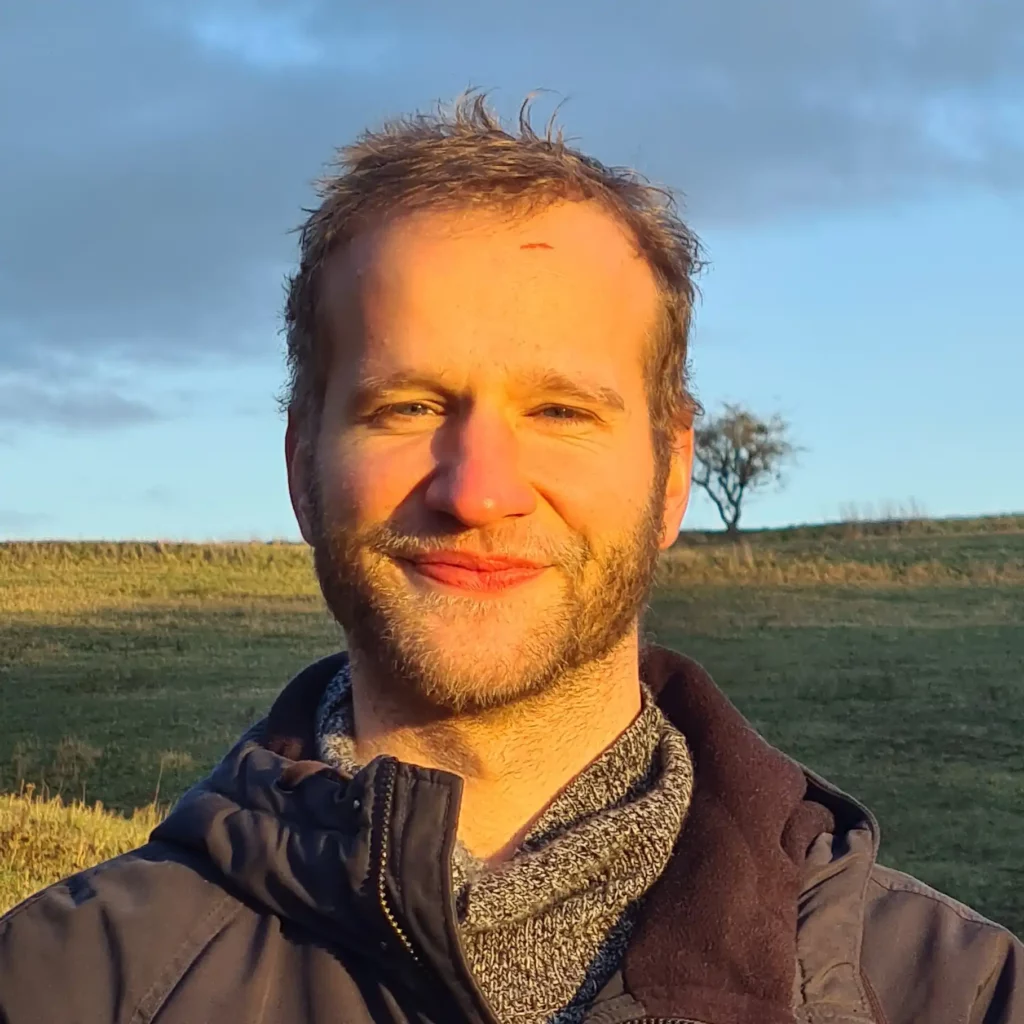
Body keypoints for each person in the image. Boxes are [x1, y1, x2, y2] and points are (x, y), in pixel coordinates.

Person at [1, 93, 1020, 1024]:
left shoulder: (962, 997)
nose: (478, 490)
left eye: (560, 412)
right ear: (302, 468)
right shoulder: (59, 984)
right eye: (408, 407)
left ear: (672, 474)